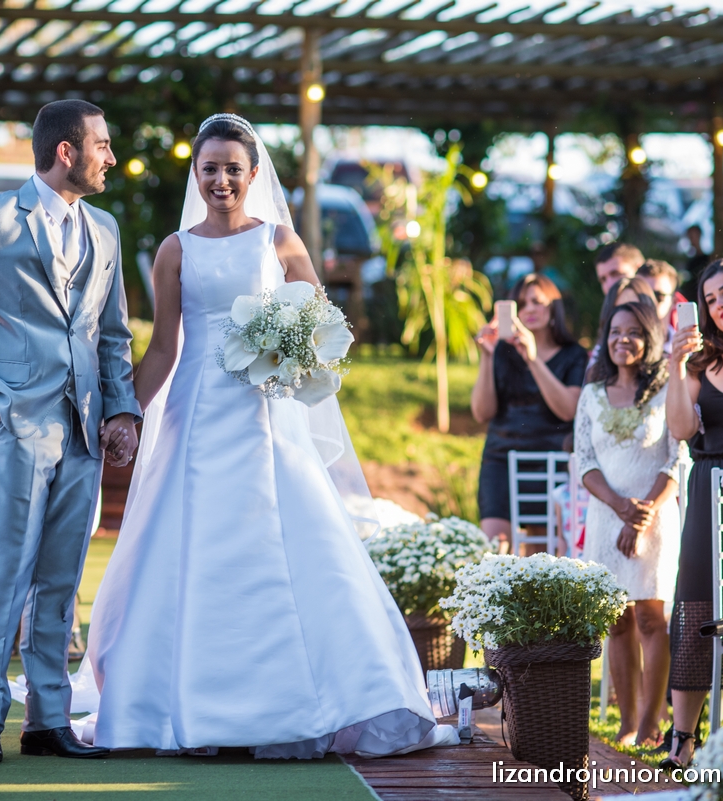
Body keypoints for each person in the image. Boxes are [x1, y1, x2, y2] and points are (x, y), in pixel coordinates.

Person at [78, 113, 457, 758]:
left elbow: (318, 329)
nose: (221, 179)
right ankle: (179, 706)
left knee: (285, 542)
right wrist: (125, 415)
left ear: (253, 176)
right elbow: (166, 346)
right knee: (185, 544)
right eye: (210, 168)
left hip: (264, 415)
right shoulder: (176, 250)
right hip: (195, 413)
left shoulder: (277, 241)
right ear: (195, 175)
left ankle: (300, 706)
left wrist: (287, 355)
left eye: (233, 169)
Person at [0, 99, 140, 764]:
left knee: (63, 580)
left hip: (83, 431)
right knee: (3, 575)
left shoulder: (105, 228)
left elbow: (114, 333)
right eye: (102, 145)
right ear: (66, 151)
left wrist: (121, 409)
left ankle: (47, 718)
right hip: (12, 427)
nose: (111, 158)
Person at [575, 298, 684, 747]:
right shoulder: (591, 393)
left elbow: (679, 457)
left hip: (656, 518)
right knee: (616, 620)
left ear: (650, 339)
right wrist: (620, 507)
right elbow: (583, 460)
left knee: (651, 618)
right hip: (605, 518)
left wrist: (643, 513)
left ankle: (650, 724)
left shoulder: (664, 391)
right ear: (607, 339)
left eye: (635, 332)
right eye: (617, 332)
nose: (624, 340)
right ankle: (625, 723)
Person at [662, 258, 723, 769]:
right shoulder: (700, 364)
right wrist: (675, 366)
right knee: (695, 605)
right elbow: (679, 429)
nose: (722, 305)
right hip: (708, 494)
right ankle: (683, 738)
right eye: (711, 298)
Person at [471, 274, 589, 551]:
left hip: (550, 460)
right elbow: (481, 412)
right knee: (494, 551)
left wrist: (533, 358)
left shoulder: (574, 355)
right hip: (501, 458)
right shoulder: (501, 352)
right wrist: (487, 356)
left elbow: (568, 410)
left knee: (542, 556)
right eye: (521, 304)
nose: (529, 310)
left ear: (554, 309)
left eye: (537, 301)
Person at [638, 260, 684, 348]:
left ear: (674, 301)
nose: (649, 301)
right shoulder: (618, 350)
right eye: (641, 295)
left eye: (658, 296)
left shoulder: (690, 353)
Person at [681, 225, 708, 301]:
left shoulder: (707, 258)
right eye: (689, 236)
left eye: (693, 236)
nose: (691, 239)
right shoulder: (689, 260)